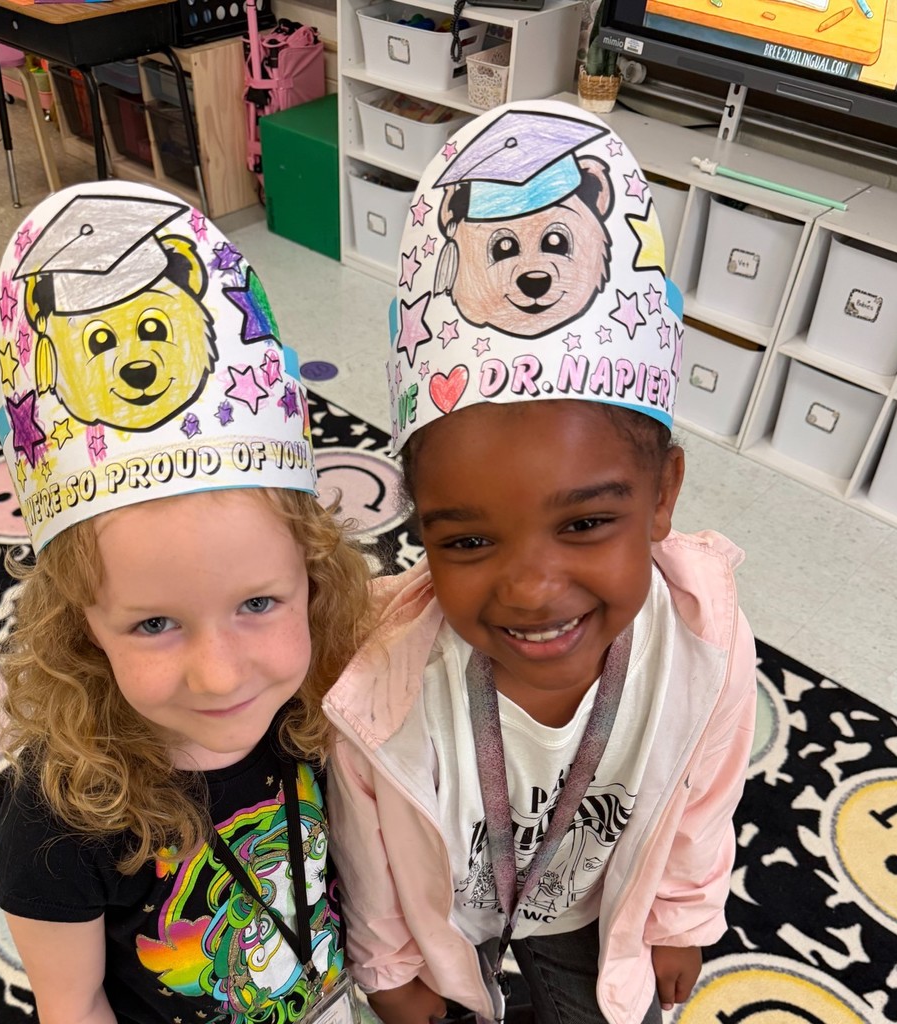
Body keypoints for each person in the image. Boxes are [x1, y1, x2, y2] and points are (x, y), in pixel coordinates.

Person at [322, 100, 757, 1024]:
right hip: (453, 922)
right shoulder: (382, 685)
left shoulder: (707, 639)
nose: (530, 588)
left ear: (663, 497)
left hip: (596, 912)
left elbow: (707, 788)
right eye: (468, 541)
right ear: (422, 531)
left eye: (587, 523)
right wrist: (392, 966)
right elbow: (363, 839)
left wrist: (683, 913)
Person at [0, 181, 371, 1024]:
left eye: (260, 604)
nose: (219, 672)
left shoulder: (312, 704)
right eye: (154, 623)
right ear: (80, 626)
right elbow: (73, 1000)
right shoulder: (59, 814)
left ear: (314, 581)